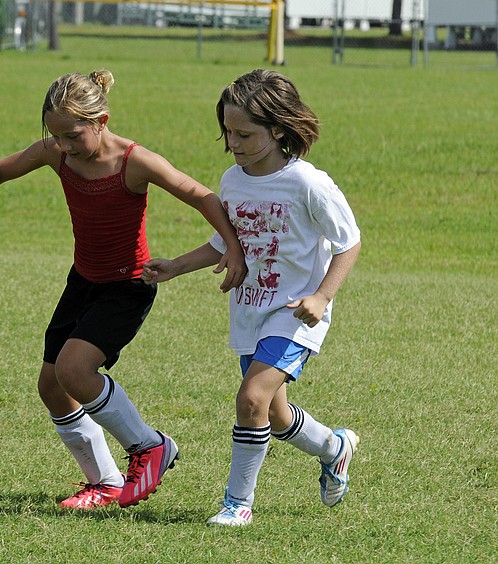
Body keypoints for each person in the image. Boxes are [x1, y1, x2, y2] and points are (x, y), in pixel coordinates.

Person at [0, 70, 246, 510]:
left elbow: (201, 195)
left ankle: (150, 446)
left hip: (128, 286)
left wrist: (232, 248)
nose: (62, 146)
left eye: (72, 135)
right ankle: (104, 482)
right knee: (52, 385)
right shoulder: (56, 153)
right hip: (82, 281)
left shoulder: (134, 161)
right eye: (55, 135)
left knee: (75, 371)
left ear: (102, 119)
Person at [142, 69, 362, 526]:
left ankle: (237, 503)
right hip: (250, 308)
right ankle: (333, 448)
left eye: (245, 133)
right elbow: (225, 242)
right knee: (271, 413)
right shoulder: (233, 180)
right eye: (227, 132)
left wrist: (321, 297)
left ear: (278, 129)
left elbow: (349, 242)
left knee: (250, 398)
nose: (234, 142)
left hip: (296, 311)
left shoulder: (308, 184)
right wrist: (176, 266)